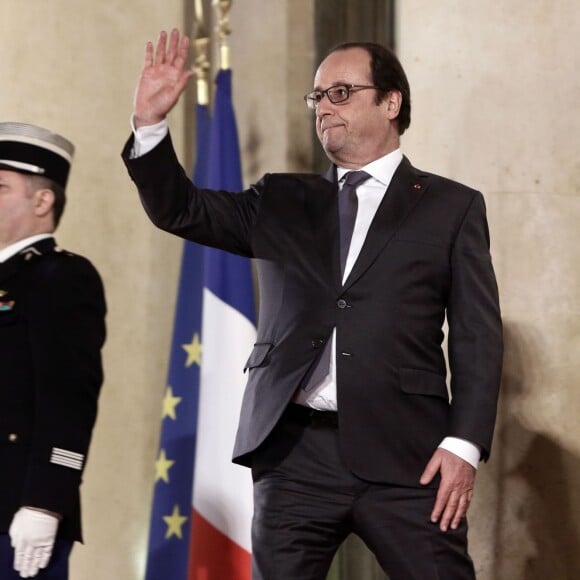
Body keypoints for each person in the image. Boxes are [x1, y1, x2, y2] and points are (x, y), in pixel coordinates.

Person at [123, 29, 502, 580]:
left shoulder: (452, 206)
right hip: (294, 456)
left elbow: (477, 335)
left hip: (409, 456)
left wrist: (464, 444)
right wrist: (150, 126)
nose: (323, 108)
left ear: (391, 102)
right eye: (318, 97)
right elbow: (181, 210)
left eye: (341, 93)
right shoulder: (281, 199)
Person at [0, 122, 107, 579]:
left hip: (14, 512)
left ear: (42, 201)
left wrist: (46, 500)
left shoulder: (59, 278)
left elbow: (69, 399)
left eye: (0, 187)